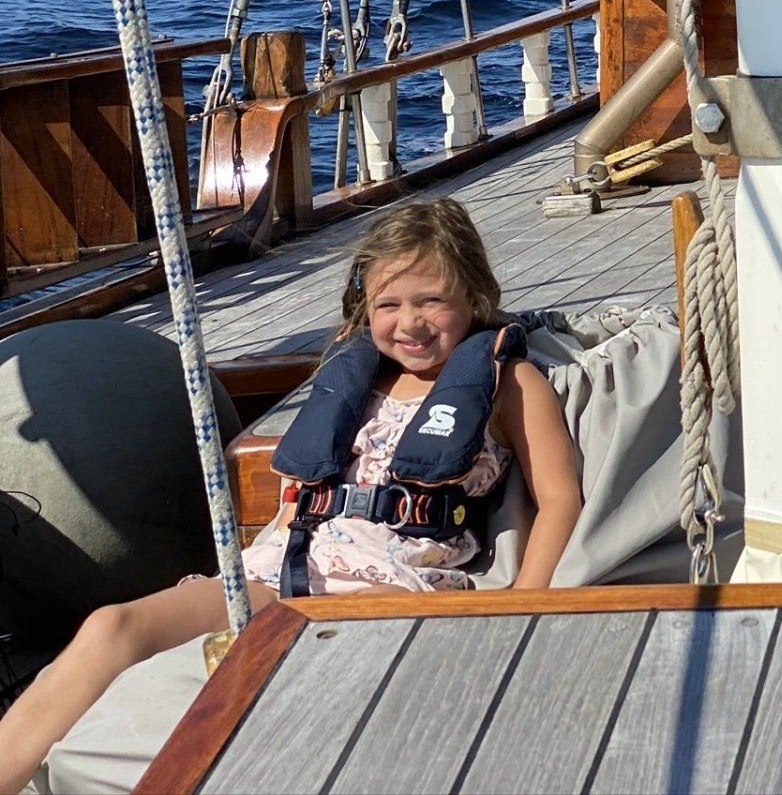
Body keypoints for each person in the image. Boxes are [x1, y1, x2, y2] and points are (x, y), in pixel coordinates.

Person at [0, 199, 582, 792]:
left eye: (431, 300)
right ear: (364, 305)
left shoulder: (507, 383)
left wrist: (518, 613)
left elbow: (559, 500)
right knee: (112, 625)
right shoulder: (353, 377)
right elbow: (298, 496)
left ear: (474, 296)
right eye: (389, 305)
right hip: (284, 570)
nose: (409, 323)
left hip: (391, 586)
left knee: (299, 674)